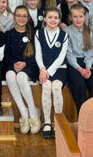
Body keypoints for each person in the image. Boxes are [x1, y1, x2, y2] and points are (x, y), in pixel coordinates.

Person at [5, 5, 40, 135]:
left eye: (24, 16)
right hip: (13, 64)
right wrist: (14, 63)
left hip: (30, 65)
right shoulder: (9, 34)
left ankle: (33, 113)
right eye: (18, 15)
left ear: (28, 17)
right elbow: (6, 55)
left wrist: (25, 63)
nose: (21, 18)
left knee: (20, 77)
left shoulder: (35, 33)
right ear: (14, 17)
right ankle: (24, 113)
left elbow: (38, 55)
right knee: (10, 75)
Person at [35, 7, 68, 139]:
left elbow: (61, 57)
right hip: (43, 68)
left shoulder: (64, 35)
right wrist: (43, 69)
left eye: (56, 18)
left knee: (56, 88)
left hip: (59, 68)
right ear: (45, 19)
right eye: (50, 17)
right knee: (46, 87)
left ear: (59, 20)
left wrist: (48, 71)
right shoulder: (39, 33)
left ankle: (58, 122)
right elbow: (38, 55)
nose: (53, 20)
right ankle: (47, 122)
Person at [65, 4, 93, 112]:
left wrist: (88, 68)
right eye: (75, 17)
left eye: (81, 16)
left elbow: (91, 52)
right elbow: (69, 54)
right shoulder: (66, 32)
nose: (78, 19)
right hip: (73, 64)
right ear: (70, 18)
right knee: (79, 84)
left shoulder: (89, 32)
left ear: (85, 17)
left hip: (87, 62)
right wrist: (80, 70)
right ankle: (82, 113)